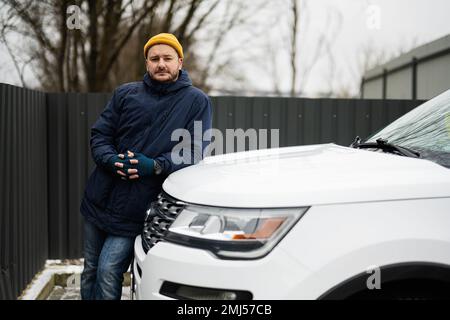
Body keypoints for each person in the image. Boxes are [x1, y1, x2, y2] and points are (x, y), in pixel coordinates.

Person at [79, 33, 212, 300]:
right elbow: (100, 136)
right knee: (90, 270)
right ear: (147, 63)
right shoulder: (125, 93)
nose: (161, 64)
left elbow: (195, 151)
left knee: (108, 269)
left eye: (167, 58)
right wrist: (111, 159)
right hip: (100, 197)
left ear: (180, 62)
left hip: (137, 207)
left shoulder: (196, 101)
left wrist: (154, 165)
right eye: (154, 59)